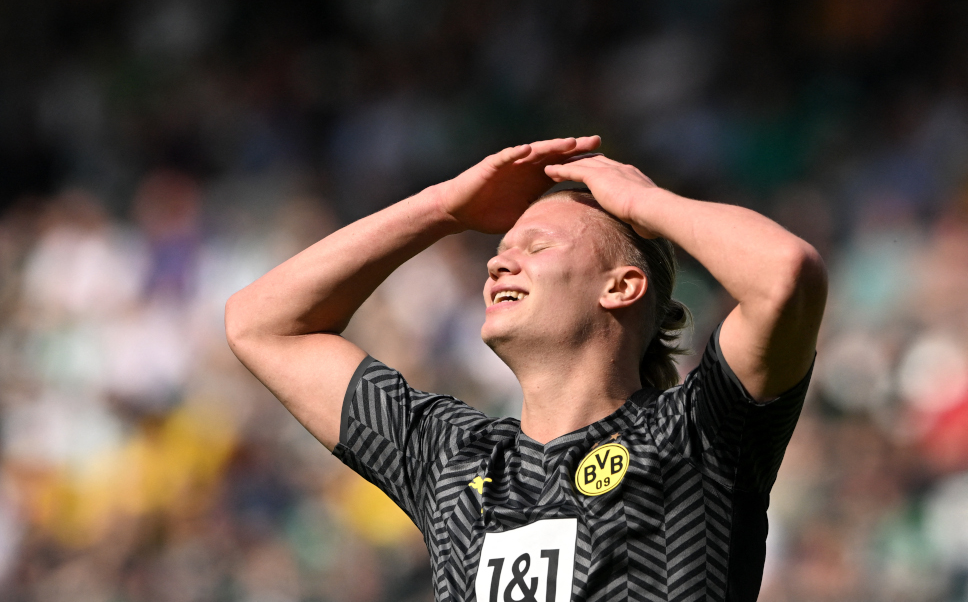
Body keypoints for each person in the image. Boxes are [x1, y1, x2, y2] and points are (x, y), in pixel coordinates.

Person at [225, 136, 828, 602]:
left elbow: (786, 275)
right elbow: (261, 324)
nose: (499, 265)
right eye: (499, 251)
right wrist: (443, 208)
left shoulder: (697, 434)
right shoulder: (453, 457)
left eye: (537, 248)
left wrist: (643, 204)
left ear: (622, 287)